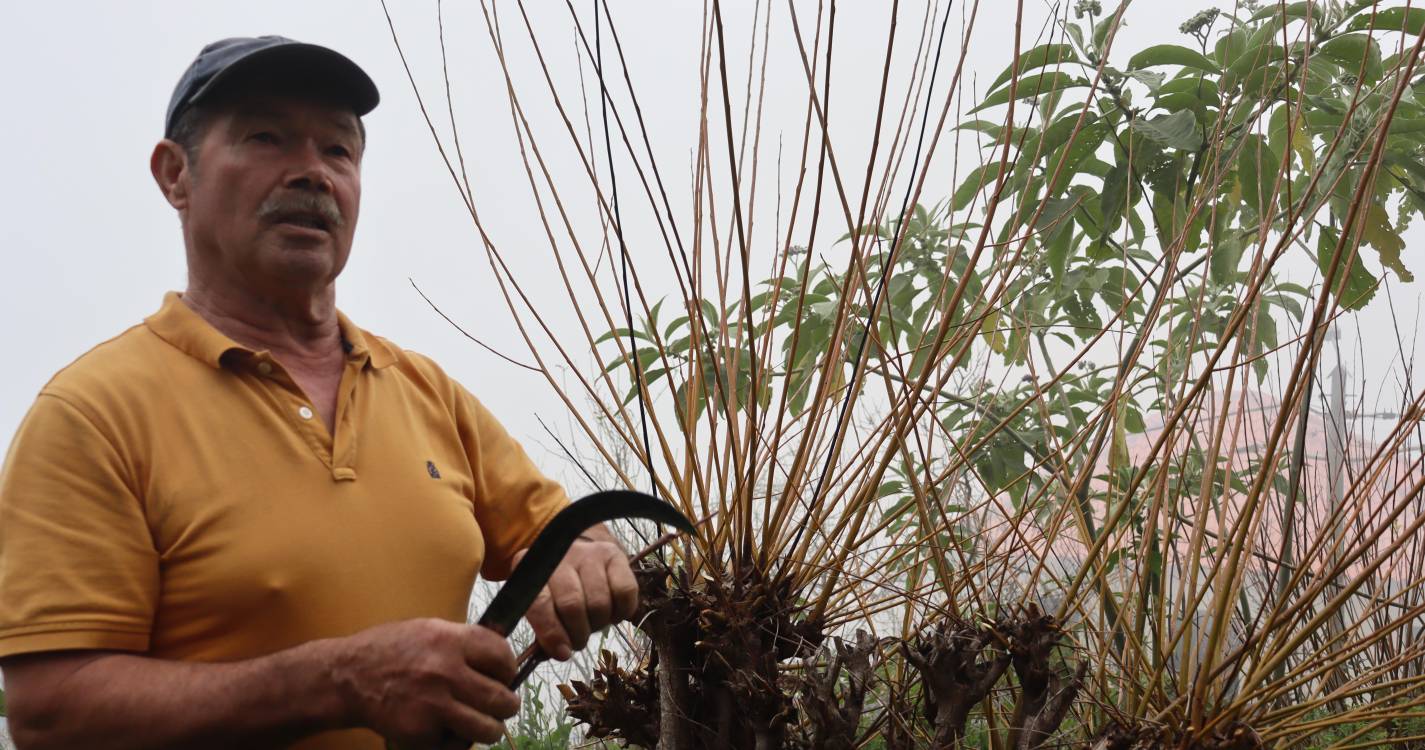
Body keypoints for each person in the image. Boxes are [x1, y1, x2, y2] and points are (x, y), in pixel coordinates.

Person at [0, 36, 637, 750]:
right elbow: (49, 714)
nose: (310, 173)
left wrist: (586, 553)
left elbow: (558, 534)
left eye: (338, 151)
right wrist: (337, 681)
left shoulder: (426, 393)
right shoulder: (93, 415)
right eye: (266, 137)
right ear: (175, 174)